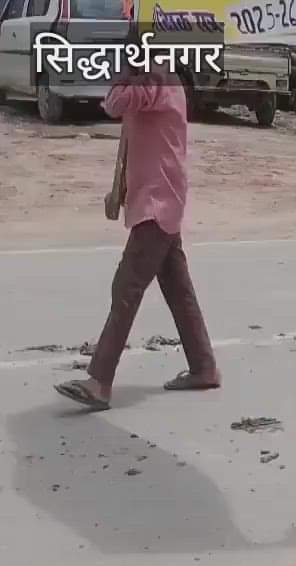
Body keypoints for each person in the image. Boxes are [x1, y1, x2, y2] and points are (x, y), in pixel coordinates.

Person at [54, 44, 219, 411]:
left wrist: (123, 72)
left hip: (157, 206)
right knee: (179, 291)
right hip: (160, 201)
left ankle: (99, 381)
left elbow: (114, 102)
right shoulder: (157, 80)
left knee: (126, 287)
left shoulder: (157, 82)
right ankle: (204, 367)